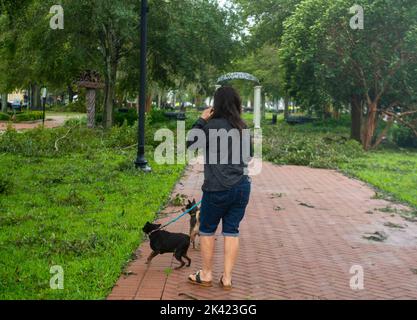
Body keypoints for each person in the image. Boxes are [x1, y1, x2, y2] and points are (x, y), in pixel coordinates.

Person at [187, 86, 252, 290]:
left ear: (215, 105)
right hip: (241, 187)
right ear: (236, 104)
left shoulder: (210, 126)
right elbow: (248, 156)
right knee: (232, 231)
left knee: (207, 230)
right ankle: (227, 278)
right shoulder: (242, 127)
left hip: (216, 189)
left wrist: (201, 119)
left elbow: (190, 143)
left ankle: (206, 275)